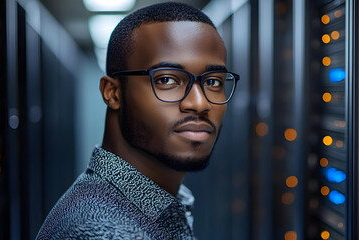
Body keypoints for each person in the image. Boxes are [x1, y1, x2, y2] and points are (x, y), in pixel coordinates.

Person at [36, 2, 239, 239]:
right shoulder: (107, 233)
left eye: (213, 82)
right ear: (113, 93)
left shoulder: (149, 203)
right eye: (166, 80)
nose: (199, 103)